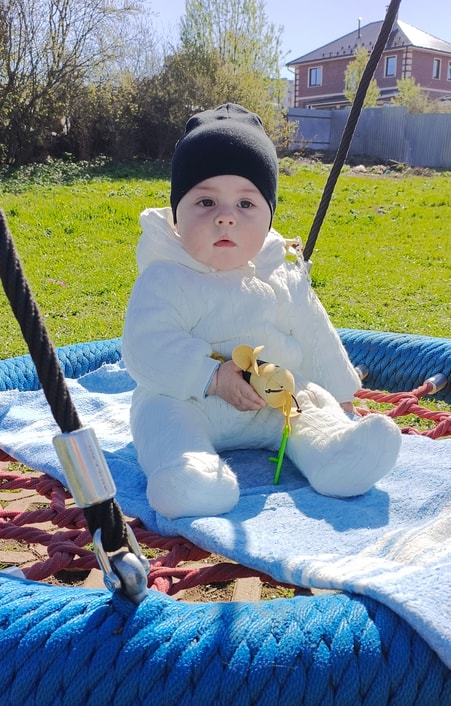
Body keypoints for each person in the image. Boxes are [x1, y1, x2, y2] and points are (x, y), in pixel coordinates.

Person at [122, 102, 401, 519]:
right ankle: (190, 476)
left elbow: (314, 333)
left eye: (246, 204)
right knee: (161, 419)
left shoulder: (280, 272)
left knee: (308, 406)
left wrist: (342, 395)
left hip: (273, 400)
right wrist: (212, 376)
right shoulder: (165, 277)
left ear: (269, 216)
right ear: (176, 216)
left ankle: (337, 455)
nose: (226, 218)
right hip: (188, 400)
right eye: (205, 202)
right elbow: (147, 345)